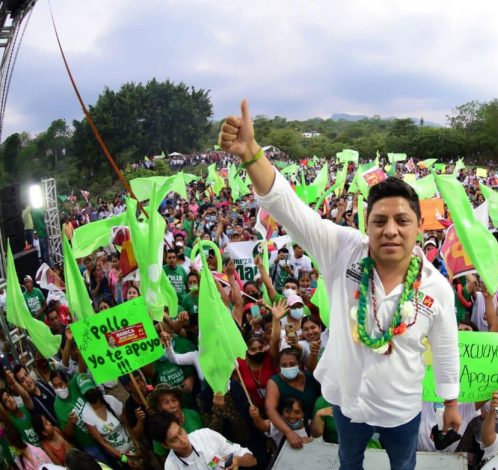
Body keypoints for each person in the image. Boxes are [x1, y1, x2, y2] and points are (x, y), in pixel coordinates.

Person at [220, 100, 460, 470]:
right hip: (347, 402)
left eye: (402, 220)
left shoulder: (436, 287)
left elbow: (446, 350)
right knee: (349, 462)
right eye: (380, 220)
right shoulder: (343, 249)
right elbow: (289, 207)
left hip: (401, 410)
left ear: (419, 226)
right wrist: (250, 152)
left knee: (403, 465)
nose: (390, 230)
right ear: (367, 224)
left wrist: (451, 404)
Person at [145, 412, 257, 470]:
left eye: (180, 432)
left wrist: (238, 460)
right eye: (174, 440)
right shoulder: (171, 467)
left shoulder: (206, 435)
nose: (183, 441)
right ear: (165, 445)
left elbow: (252, 460)